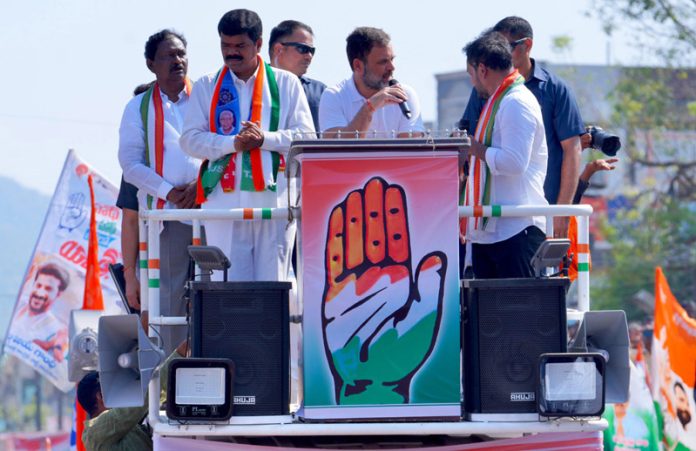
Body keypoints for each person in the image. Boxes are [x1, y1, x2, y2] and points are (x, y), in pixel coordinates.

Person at [180, 9, 314, 281]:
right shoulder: (207, 85)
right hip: (223, 205)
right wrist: (233, 144)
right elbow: (189, 140)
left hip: (273, 201)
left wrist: (265, 139)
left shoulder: (286, 83)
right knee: (228, 290)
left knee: (273, 285)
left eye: (239, 46)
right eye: (225, 46)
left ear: (259, 44)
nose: (231, 53)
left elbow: (307, 138)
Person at [459, 17, 584, 238]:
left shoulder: (552, 90)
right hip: (493, 217)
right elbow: (467, 138)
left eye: (505, 47)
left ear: (527, 46)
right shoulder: (485, 89)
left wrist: (562, 211)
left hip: (533, 212)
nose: (498, 53)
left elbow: (572, 150)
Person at [118, 30, 200, 353]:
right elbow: (129, 163)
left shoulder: (205, 96)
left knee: (215, 292)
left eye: (181, 54)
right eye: (168, 56)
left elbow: (222, 145)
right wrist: (169, 192)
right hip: (167, 215)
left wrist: (201, 183)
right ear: (151, 64)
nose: (177, 61)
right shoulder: (137, 107)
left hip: (211, 209)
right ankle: (173, 380)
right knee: (169, 300)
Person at [461, 31, 548, 279]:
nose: (472, 82)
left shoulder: (515, 102)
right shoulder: (498, 100)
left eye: (471, 74)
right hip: (491, 232)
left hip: (515, 230)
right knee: (489, 317)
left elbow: (514, 162)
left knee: (518, 315)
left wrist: (474, 148)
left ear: (482, 69)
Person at [77, 329, 188, 451]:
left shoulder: (114, 429)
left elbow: (148, 402)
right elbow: (141, 402)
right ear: (101, 396)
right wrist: (178, 356)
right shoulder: (95, 433)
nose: (117, 389)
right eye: (111, 386)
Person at [318, 27, 424, 137]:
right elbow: (335, 149)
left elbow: (411, 150)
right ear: (358, 66)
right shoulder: (334, 96)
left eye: (391, 59)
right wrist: (369, 108)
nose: (392, 67)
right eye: (383, 62)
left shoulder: (405, 94)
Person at [269, 20, 326, 131]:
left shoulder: (321, 92)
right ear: (278, 49)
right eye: (303, 49)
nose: (309, 56)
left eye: (311, 51)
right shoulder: (253, 85)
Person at [13, 263, 70, 362]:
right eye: (38, 285)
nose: (40, 293)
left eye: (48, 289)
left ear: (58, 294)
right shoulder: (18, 304)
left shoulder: (56, 332)